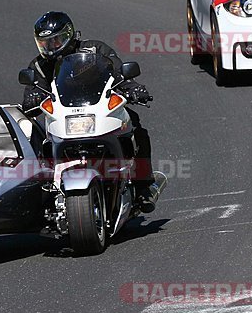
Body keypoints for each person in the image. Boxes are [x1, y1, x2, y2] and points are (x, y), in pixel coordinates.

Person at [22, 11, 158, 212]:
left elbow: (119, 73)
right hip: (62, 119)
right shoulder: (39, 67)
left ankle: (144, 185)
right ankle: (44, 191)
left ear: (68, 35)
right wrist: (31, 99)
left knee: (135, 127)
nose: (50, 48)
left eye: (55, 41)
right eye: (45, 43)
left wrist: (133, 88)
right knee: (36, 138)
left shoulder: (95, 49)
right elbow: (31, 92)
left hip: (98, 110)